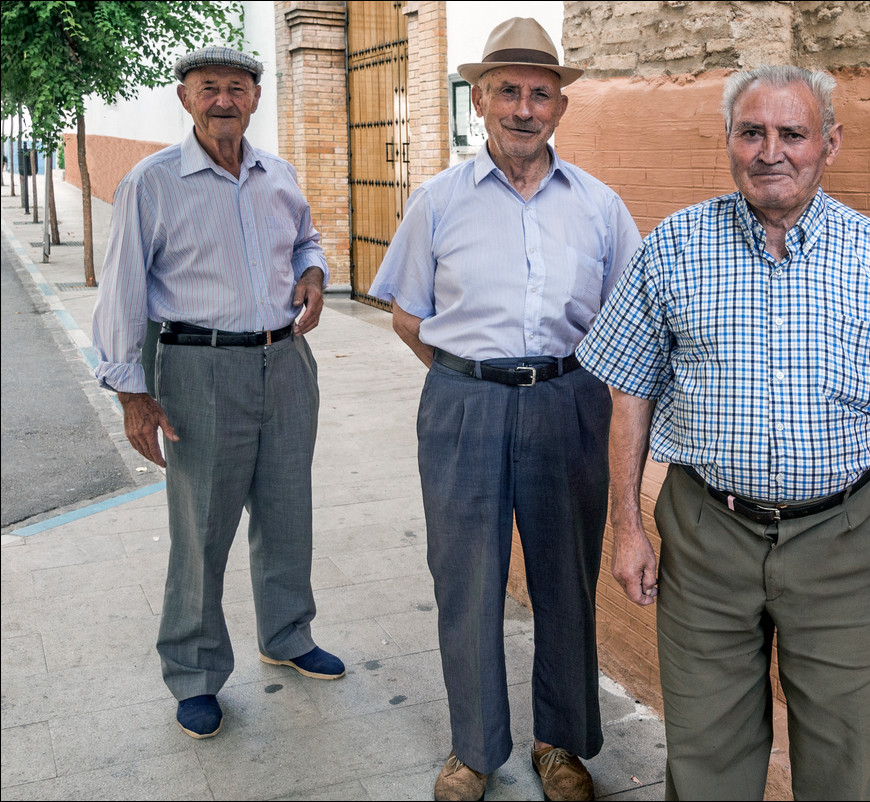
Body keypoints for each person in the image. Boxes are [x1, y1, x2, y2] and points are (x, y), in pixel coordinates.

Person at [576, 65, 870, 800]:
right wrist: (626, 527)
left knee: (848, 763)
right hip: (705, 535)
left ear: (829, 144)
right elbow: (628, 390)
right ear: (728, 141)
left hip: (846, 543)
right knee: (705, 759)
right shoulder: (672, 247)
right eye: (751, 131)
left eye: (792, 134)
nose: (771, 152)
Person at [368, 17, 641, 802]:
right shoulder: (437, 202)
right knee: (466, 581)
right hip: (463, 404)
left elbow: (627, 321)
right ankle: (474, 749)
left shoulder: (599, 205)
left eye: (541, 94)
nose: (524, 108)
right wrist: (467, 379)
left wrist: (562, 388)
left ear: (560, 107)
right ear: (479, 99)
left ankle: (560, 745)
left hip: (569, 402)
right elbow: (407, 315)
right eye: (508, 92)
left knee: (565, 579)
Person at [92, 46, 345, 741]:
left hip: (286, 362)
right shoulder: (153, 182)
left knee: (288, 509)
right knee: (202, 528)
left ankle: (288, 634)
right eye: (210, 89)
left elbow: (305, 238)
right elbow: (121, 289)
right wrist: (131, 393)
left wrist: (315, 273)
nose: (224, 100)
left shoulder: (277, 174)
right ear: (185, 99)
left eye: (237, 88)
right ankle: (196, 673)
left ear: (256, 99)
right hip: (196, 371)